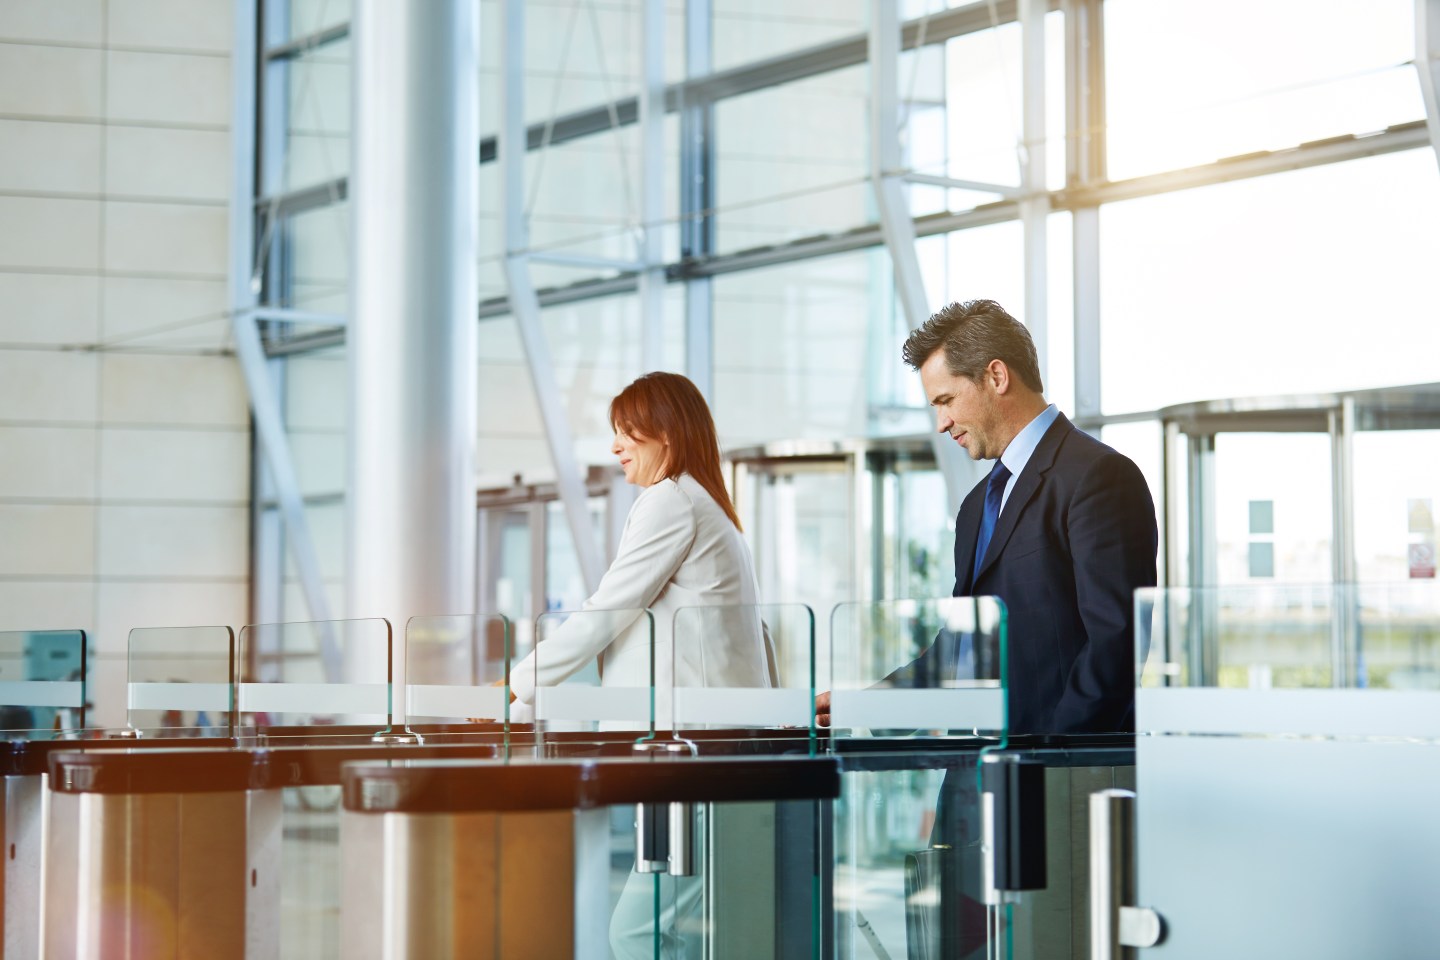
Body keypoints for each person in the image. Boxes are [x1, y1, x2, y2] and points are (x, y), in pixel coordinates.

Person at [505, 370, 772, 960]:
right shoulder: (707, 507)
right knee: (678, 927)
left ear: (668, 439)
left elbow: (607, 610)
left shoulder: (672, 501)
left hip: (691, 751)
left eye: (629, 433)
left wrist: (518, 682)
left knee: (636, 932)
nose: (616, 446)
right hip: (697, 748)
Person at [817, 298, 1158, 733]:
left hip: (1050, 783)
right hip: (973, 778)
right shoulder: (978, 504)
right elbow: (958, 649)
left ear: (996, 376)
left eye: (946, 400)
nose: (942, 423)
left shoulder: (1099, 478)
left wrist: (1050, 769)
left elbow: (1115, 649)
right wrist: (868, 708)